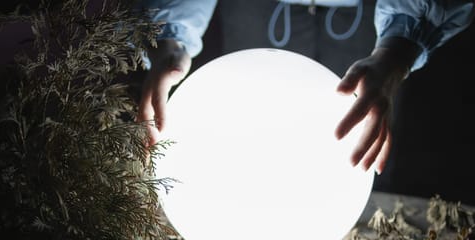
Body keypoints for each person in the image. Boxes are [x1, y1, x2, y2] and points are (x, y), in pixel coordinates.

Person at [138, 0, 474, 174]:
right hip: (258, 7)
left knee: (362, 126)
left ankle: (344, 237)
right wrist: (170, 34)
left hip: (368, 11)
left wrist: (398, 48)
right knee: (250, 131)